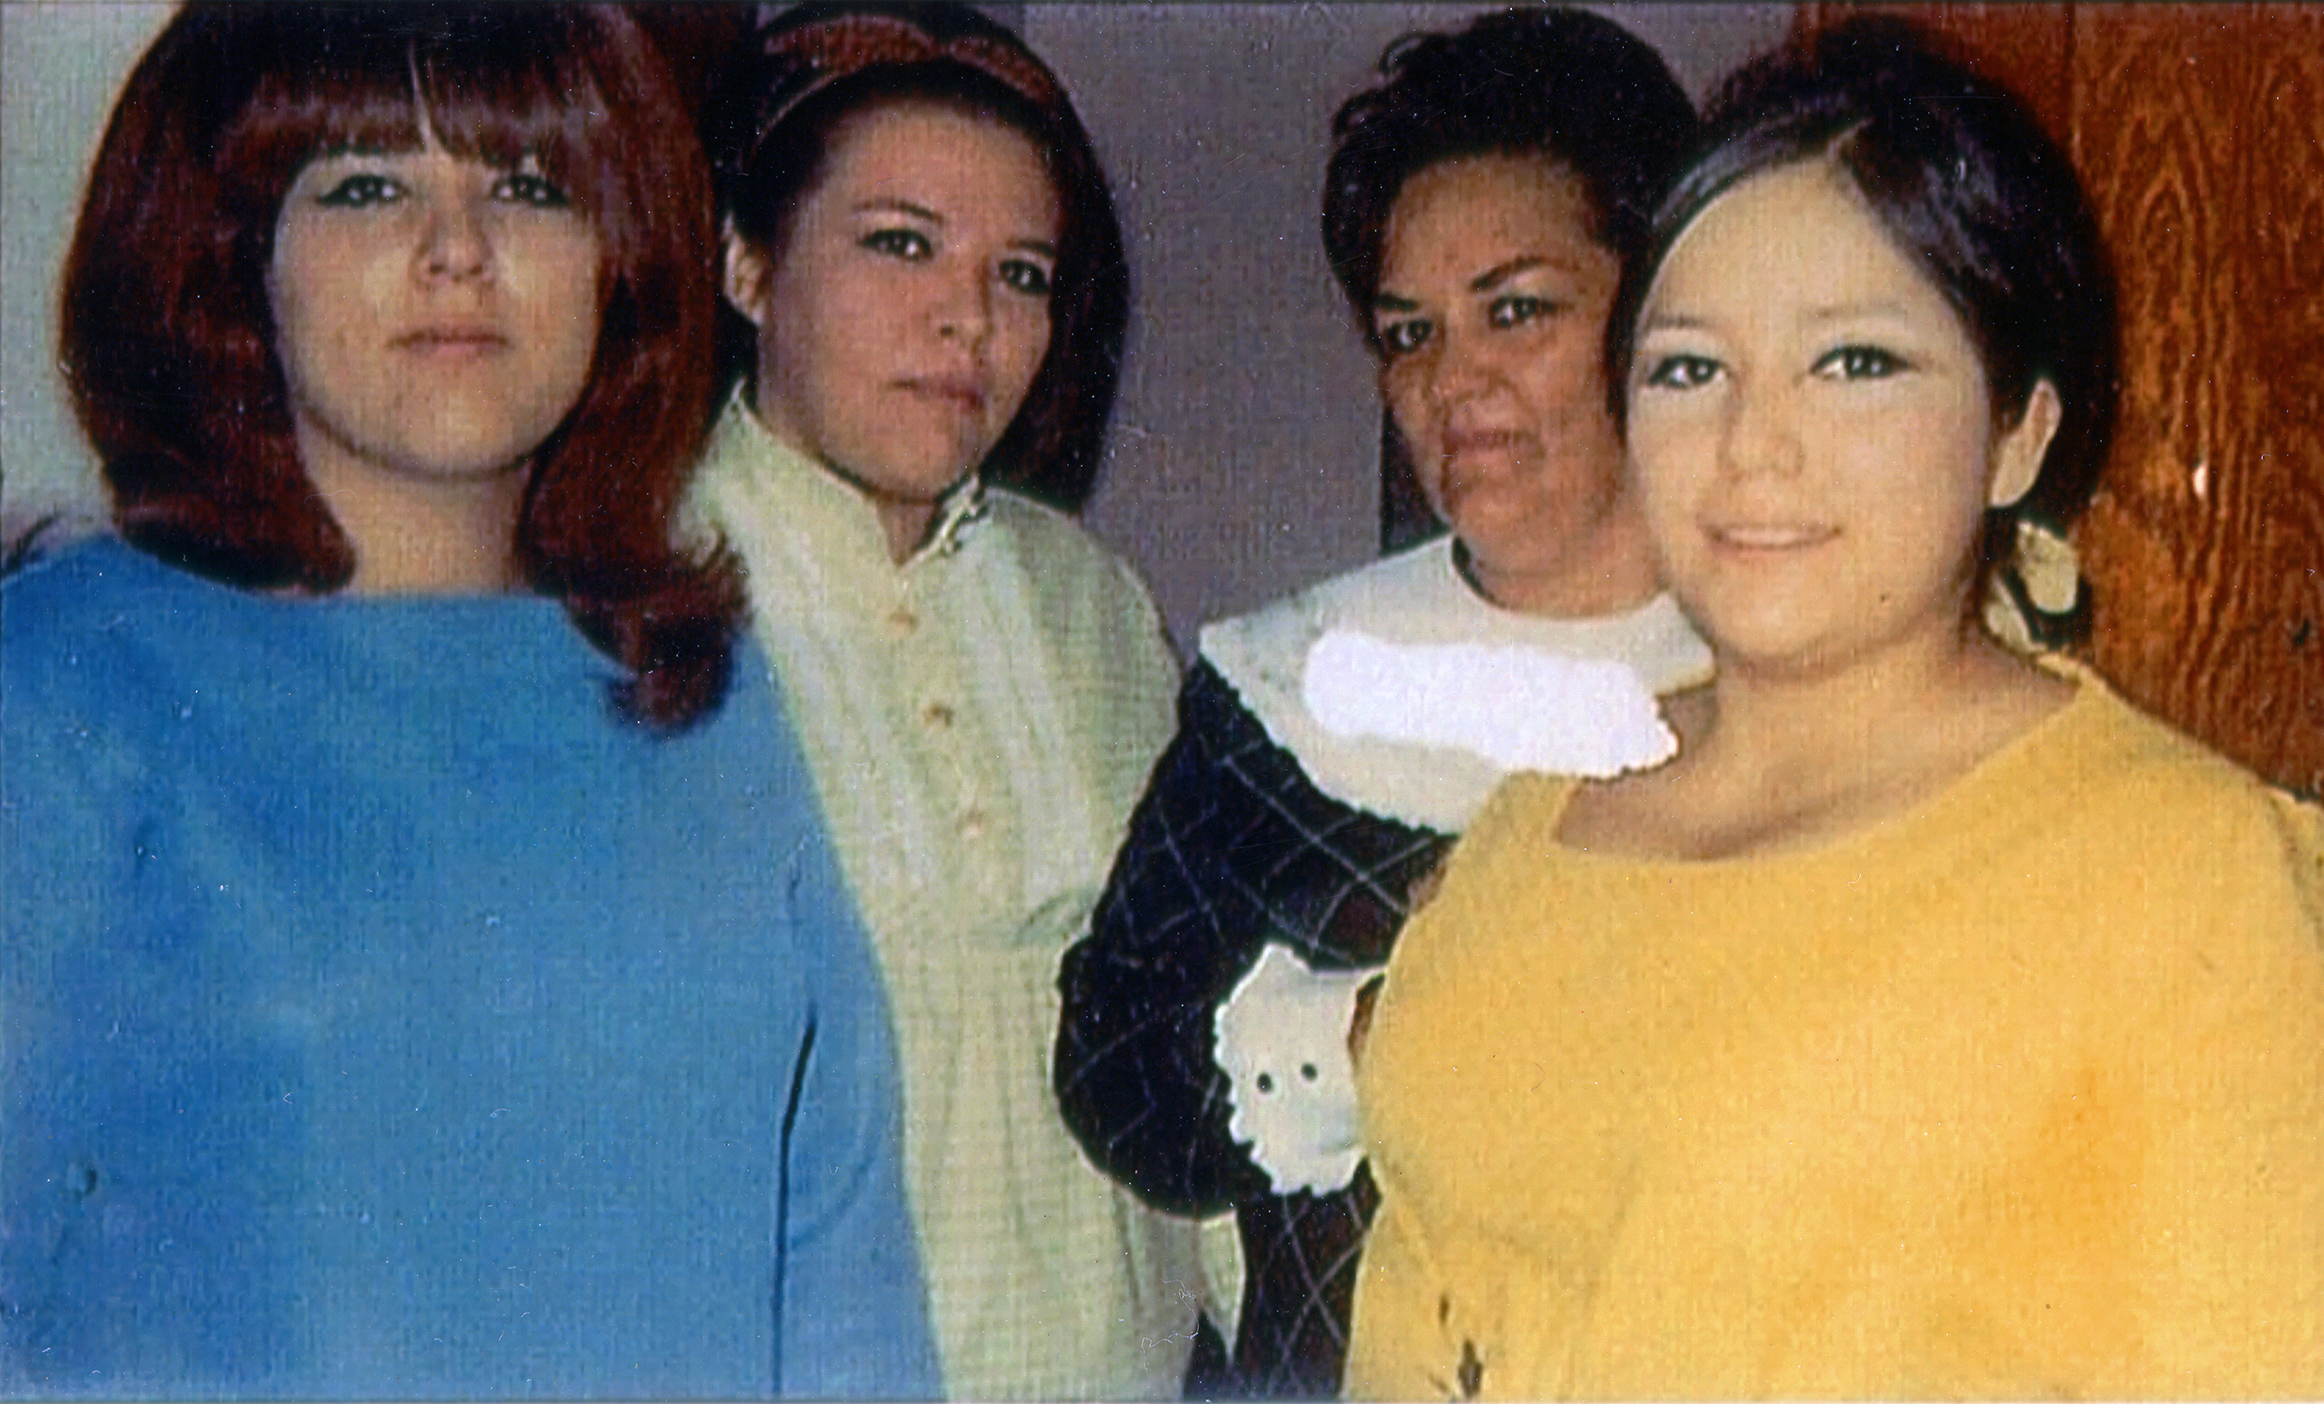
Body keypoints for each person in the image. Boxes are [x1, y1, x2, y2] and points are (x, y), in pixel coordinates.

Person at [1346, 18, 2324, 1398]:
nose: (1753, 445)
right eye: (1688, 369)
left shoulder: (2204, 885)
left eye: (1854, 363)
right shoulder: (1531, 824)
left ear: (2017, 432)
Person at [0, 6, 936, 1398]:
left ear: (618, 262)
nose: (459, 251)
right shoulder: (64, 675)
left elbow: (841, 1270)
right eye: (367, 187)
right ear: (231, 255)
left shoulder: (700, 688)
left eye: (532, 188)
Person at [1052, 11, 1712, 1396]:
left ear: (1661, 312)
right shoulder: (1295, 680)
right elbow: (1116, 1071)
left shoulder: (1787, 671)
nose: (1453, 382)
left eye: (1517, 310)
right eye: (1411, 333)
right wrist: (1366, 1036)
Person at [679, 6, 1220, 1397]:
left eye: (1020, 273)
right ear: (746, 262)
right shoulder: (628, 605)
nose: (969, 319)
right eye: (901, 243)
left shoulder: (1091, 600)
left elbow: (1201, 1017)